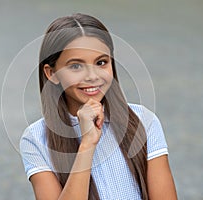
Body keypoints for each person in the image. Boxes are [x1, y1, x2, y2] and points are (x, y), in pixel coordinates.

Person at [20, 13, 177, 200]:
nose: (92, 76)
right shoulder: (35, 139)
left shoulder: (143, 121)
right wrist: (87, 143)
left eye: (101, 62)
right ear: (52, 73)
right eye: (76, 66)